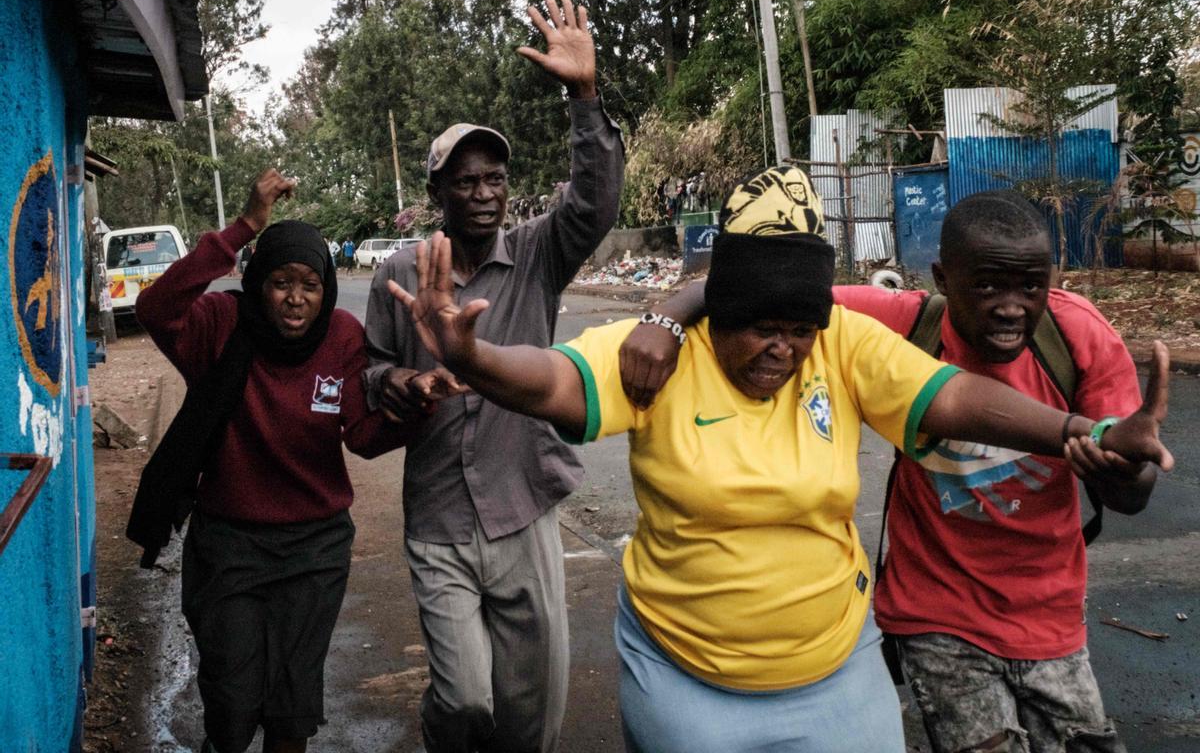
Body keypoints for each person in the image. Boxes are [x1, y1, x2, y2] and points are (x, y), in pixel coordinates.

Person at [385, 167, 1172, 753]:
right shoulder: (660, 355)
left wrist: (1087, 433)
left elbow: (954, 398)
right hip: (685, 676)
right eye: (756, 327)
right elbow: (559, 378)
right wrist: (479, 359)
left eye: (797, 329)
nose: (780, 349)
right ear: (716, 312)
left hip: (837, 669)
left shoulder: (842, 340)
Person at [619, 188, 1163, 753]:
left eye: (1030, 286)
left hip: (1049, 612)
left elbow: (1133, 495)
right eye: (985, 286)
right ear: (942, 279)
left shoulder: (1077, 337)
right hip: (934, 610)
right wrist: (669, 316)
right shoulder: (899, 324)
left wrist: (1116, 462)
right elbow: (762, 284)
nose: (1011, 306)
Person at [362, 0, 623, 753]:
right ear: (437, 194)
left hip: (525, 506)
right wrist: (403, 386)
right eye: (466, 182)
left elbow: (597, 203)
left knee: (530, 713)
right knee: (466, 702)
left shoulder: (538, 252)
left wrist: (584, 95)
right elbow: (373, 370)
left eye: (495, 180)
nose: (483, 195)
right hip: (440, 516)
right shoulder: (400, 273)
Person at [127, 169, 459, 753]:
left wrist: (416, 406)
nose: (296, 298)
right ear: (259, 283)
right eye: (281, 282)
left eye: (309, 284)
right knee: (230, 709)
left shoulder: (342, 335)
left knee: (290, 714)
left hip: (314, 551)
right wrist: (244, 225)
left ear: (326, 287)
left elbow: (360, 435)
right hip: (229, 546)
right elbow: (155, 308)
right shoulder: (220, 326)